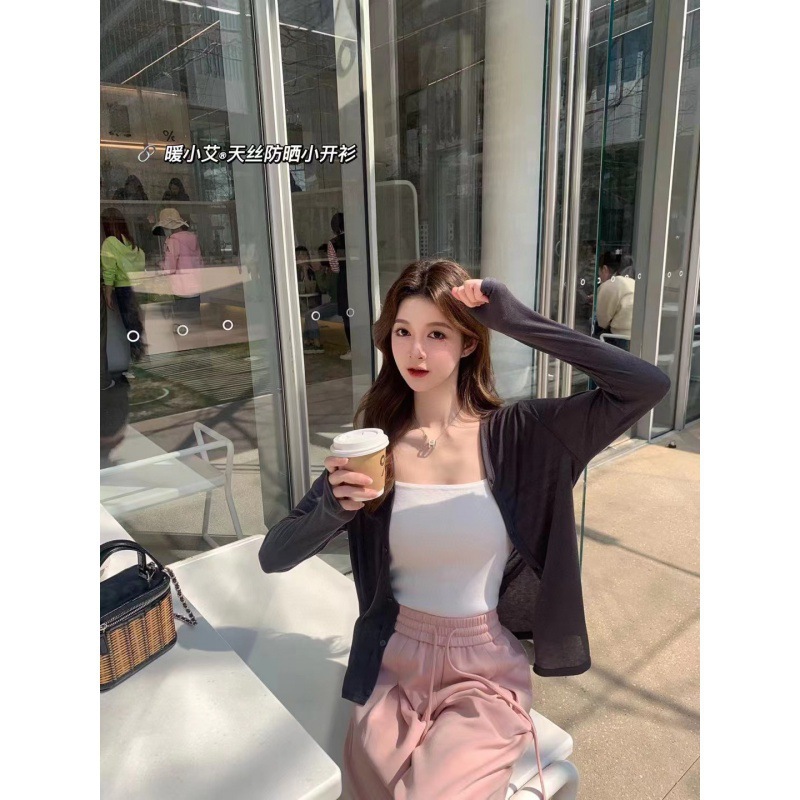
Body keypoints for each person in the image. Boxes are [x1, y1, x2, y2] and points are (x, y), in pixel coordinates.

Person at [259, 259, 670, 799]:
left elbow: (645, 385)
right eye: (402, 332)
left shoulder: (522, 436)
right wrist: (334, 510)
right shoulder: (374, 451)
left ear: (469, 342)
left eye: (437, 334)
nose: (416, 351)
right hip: (392, 660)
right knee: (366, 789)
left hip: (482, 670)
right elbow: (274, 555)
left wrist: (514, 319)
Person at [101, 207, 146, 362]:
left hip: (123, 288)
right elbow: (140, 261)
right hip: (136, 286)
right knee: (135, 323)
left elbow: (109, 270)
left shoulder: (109, 242)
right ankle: (140, 356)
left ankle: (136, 358)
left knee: (129, 325)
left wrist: (107, 292)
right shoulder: (128, 241)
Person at [153, 207, 203, 331]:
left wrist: (160, 264)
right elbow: (200, 263)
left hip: (181, 289)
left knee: (182, 326)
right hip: (195, 288)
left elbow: (170, 269)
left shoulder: (172, 241)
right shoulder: (193, 238)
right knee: (195, 325)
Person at [591, 249, 636, 350]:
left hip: (619, 339)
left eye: (599, 273)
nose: (600, 277)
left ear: (604, 269)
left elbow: (602, 322)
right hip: (636, 337)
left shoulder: (609, 284)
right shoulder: (633, 282)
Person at [327, 212, 351, 360]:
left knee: (347, 316)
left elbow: (335, 267)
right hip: (360, 277)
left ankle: (353, 349)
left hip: (344, 279)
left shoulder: (333, 243)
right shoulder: (357, 237)